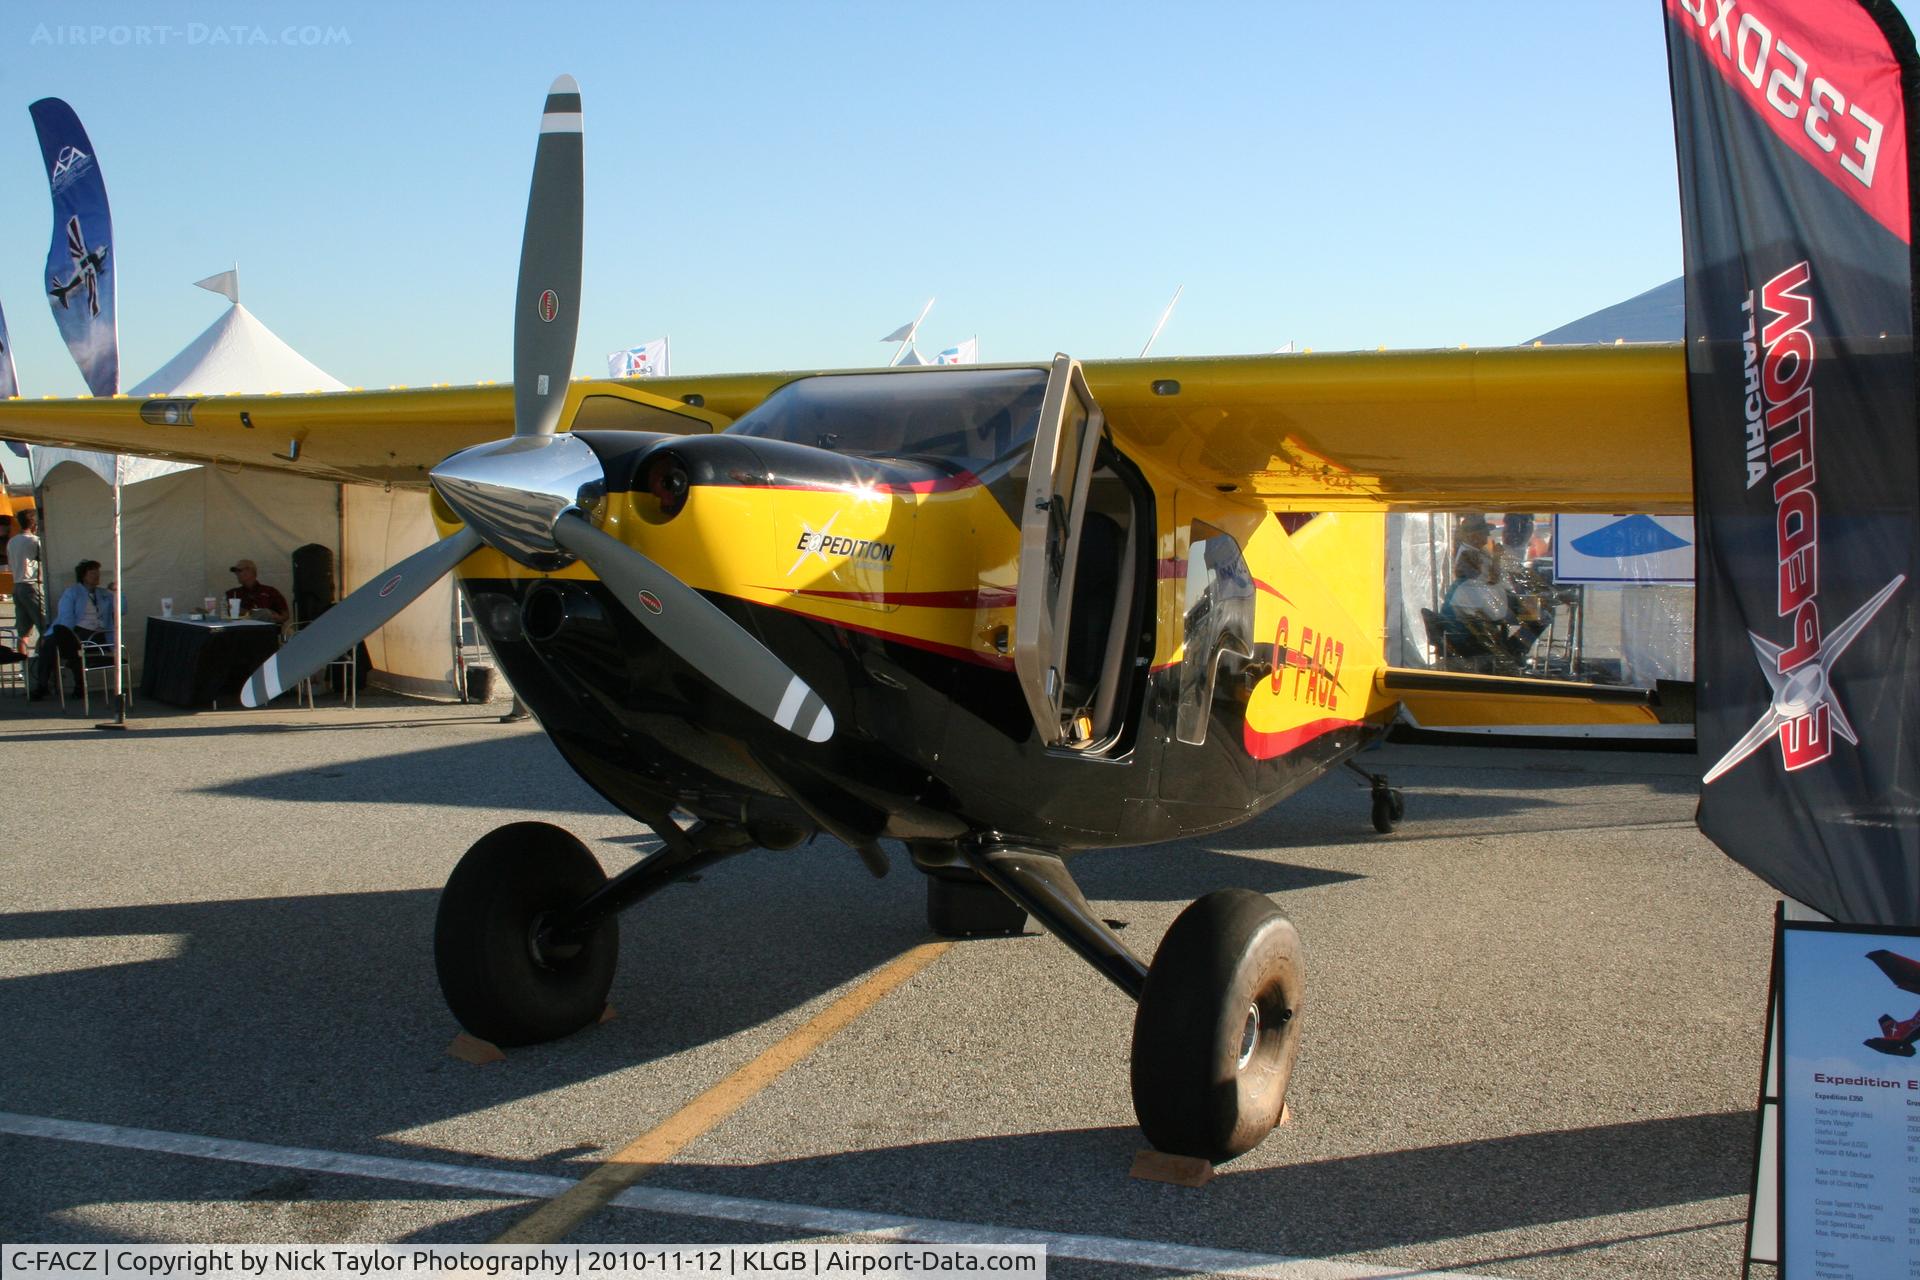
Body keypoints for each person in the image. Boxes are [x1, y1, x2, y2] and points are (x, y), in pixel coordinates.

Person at [38, 559, 116, 701]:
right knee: (50, 645)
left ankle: (76, 686)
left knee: (72, 649)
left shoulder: (104, 593)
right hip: (76, 630)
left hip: (97, 633)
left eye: (97, 573)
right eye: (93, 573)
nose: (97, 576)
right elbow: (66, 616)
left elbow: (121, 610)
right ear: (84, 576)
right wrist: (68, 634)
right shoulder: (72, 592)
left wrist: (117, 592)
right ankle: (43, 684)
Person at [9, 510, 47, 692]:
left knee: (23, 632)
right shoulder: (34, 541)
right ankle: (41, 665)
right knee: (46, 627)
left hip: (16, 584)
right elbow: (43, 559)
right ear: (34, 524)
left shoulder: (12, 541)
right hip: (31, 585)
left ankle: (23, 668)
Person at [225, 558, 289, 624]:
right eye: (236, 572)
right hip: (243, 631)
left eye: (239, 571)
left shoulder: (270, 591)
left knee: (266, 613)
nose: (236, 574)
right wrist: (259, 614)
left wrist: (278, 618)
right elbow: (230, 613)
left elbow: (285, 614)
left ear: (250, 571)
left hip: (268, 631)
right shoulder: (233, 593)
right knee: (265, 613)